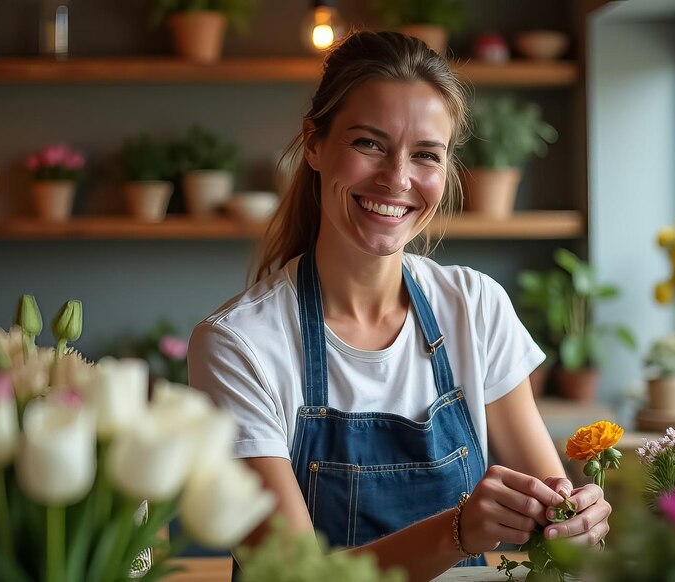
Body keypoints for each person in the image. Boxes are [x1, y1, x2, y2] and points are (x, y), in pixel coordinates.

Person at [188, 30, 611, 581]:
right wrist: (457, 531)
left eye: (426, 155)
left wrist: (573, 524)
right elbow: (291, 575)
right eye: (369, 143)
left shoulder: (474, 307)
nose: (397, 178)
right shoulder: (238, 343)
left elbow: (552, 511)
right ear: (313, 145)